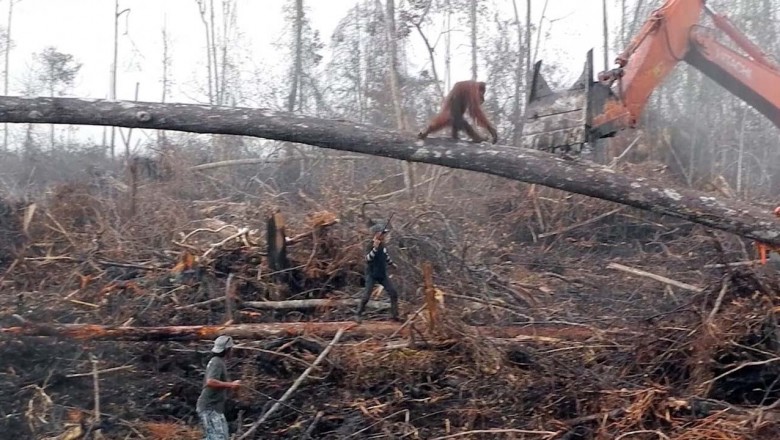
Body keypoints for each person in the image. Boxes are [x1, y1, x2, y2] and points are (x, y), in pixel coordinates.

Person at [196, 335, 241, 440]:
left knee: (220, 436)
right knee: (217, 437)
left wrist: (232, 387)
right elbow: (210, 382)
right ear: (228, 350)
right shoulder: (216, 362)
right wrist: (231, 385)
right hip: (209, 407)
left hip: (215, 408)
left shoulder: (219, 362)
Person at [356, 224, 401, 322]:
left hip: (382, 274)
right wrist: (375, 248)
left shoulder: (383, 245)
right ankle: (358, 314)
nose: (384, 235)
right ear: (376, 234)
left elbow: (386, 256)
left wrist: (392, 264)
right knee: (366, 296)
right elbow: (368, 259)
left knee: (393, 293)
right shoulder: (369, 245)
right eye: (382, 233)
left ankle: (395, 316)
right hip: (371, 274)